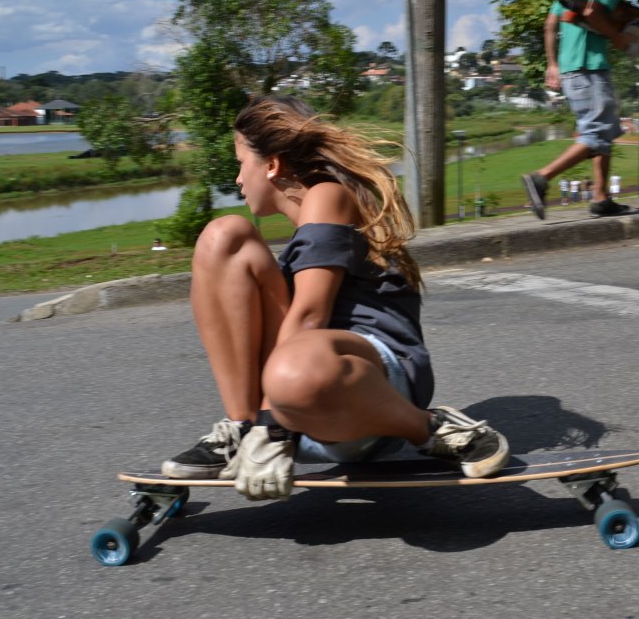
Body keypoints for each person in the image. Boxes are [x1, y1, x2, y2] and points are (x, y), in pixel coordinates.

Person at [160, 95, 510, 500]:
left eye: (241, 164)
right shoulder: (300, 236)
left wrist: (272, 426)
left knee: (295, 367)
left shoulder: (329, 197)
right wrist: (263, 426)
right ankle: (242, 430)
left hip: (373, 393)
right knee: (225, 236)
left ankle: (431, 428)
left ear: (271, 165)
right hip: (295, 410)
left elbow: (310, 316)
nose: (238, 179)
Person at [520, 0, 634, 220]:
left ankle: (600, 198)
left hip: (571, 69)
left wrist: (552, 64)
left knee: (604, 130)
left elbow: (550, 24)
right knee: (596, 134)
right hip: (589, 67)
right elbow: (592, 12)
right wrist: (616, 37)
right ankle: (540, 179)